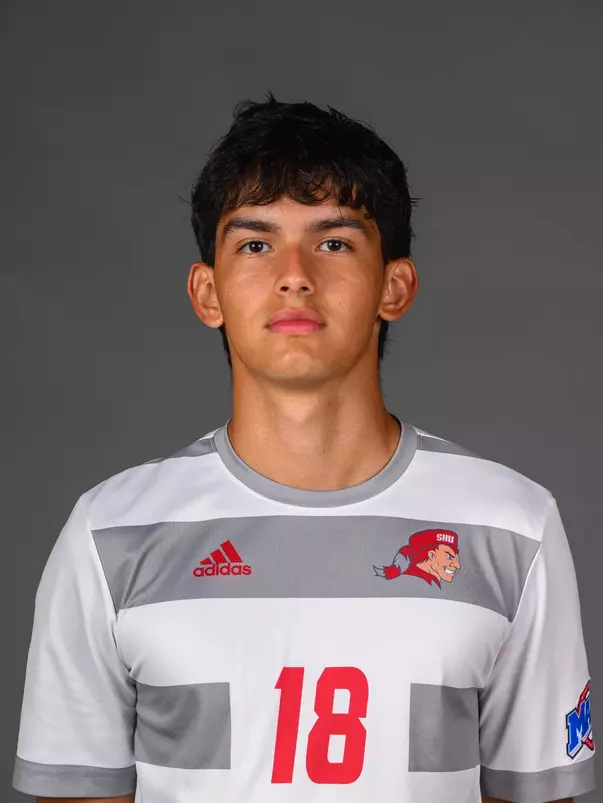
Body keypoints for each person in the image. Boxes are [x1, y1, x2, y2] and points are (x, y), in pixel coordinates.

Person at [12, 94, 595, 803]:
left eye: (333, 241)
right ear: (207, 292)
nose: (294, 274)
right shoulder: (108, 535)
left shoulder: (513, 526)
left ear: (394, 285)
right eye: (255, 243)